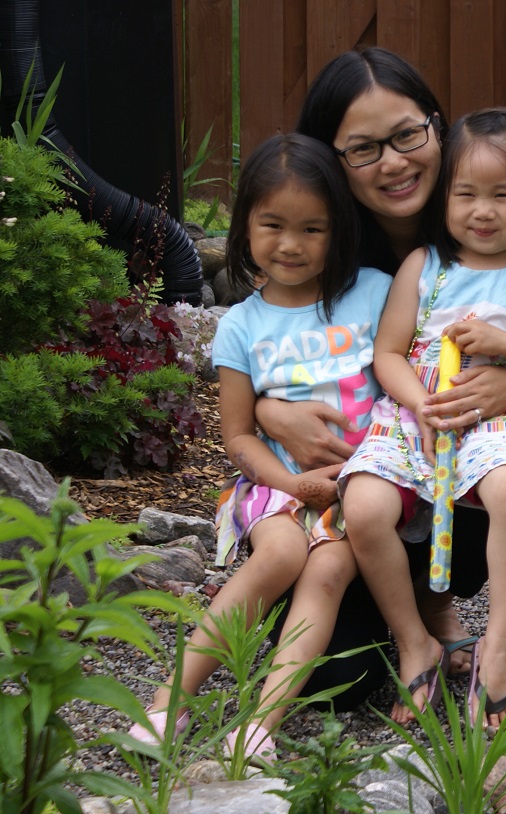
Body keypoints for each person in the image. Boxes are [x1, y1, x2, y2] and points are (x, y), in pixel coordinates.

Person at [255, 48, 506, 697]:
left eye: (406, 135)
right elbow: (265, 349)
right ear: (331, 159)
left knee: (505, 487)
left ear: (436, 126)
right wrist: (267, 410)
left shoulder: (498, 245)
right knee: (338, 677)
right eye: (364, 149)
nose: (394, 162)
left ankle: (454, 619)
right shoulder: (322, 246)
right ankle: (419, 626)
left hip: (467, 463)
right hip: (355, 483)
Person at [130, 134, 393, 759]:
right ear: (244, 224)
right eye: (272, 224)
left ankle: (261, 725)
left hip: (359, 491)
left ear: (339, 231)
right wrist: (289, 483)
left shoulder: (374, 293)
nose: (291, 244)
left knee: (327, 570)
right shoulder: (241, 326)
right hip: (275, 485)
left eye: (312, 228)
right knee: (279, 558)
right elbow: (238, 434)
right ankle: (169, 701)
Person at [340, 109, 506, 724]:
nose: (484, 210)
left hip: (496, 419)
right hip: (414, 413)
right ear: (444, 198)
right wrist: (417, 402)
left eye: (505, 194)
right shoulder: (425, 268)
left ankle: (495, 653)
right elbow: (388, 353)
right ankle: (412, 638)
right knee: (365, 505)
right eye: (466, 193)